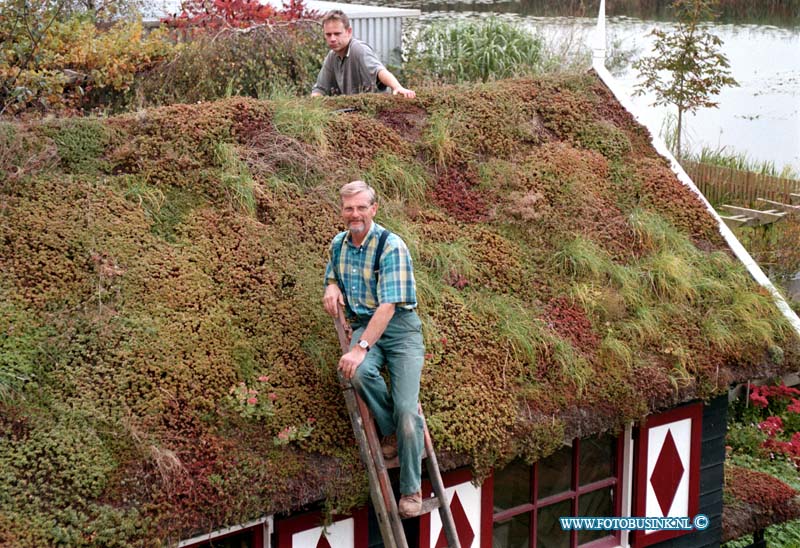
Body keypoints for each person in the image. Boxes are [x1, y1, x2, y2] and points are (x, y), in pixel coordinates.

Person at [323, 180, 425, 518]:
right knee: (357, 372)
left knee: (409, 411)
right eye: (349, 208)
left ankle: (411, 490)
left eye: (361, 207)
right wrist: (333, 285)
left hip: (399, 328)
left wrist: (361, 347)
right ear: (342, 211)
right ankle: (390, 430)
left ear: (374, 209)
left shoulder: (391, 246)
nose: (355, 214)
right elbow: (333, 273)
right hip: (367, 323)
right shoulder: (338, 244)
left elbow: (388, 308)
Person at [311, 10, 416, 98]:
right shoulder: (332, 56)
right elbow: (320, 88)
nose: (332, 39)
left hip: (374, 110)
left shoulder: (359, 50)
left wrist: (397, 87)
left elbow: (379, 70)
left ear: (349, 32)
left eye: (337, 34)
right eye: (328, 35)